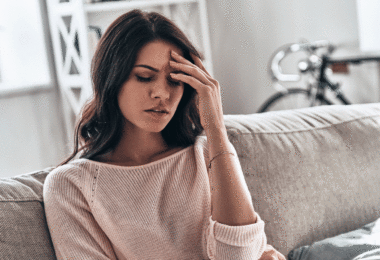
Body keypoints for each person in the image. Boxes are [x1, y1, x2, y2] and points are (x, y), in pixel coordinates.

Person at [43, 9, 285, 260]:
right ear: (111, 79)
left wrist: (216, 127)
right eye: (144, 77)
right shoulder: (71, 186)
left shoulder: (207, 155)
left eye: (175, 80)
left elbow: (240, 256)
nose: (162, 93)